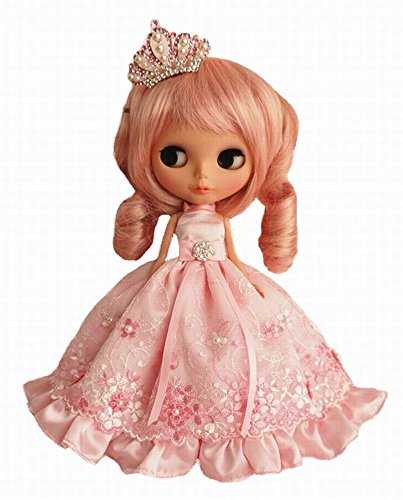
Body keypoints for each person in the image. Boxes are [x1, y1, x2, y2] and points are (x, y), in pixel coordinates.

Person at [23, 19, 387, 482]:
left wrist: (244, 280)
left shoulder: (221, 220)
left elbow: (231, 253)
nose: (201, 176)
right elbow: (161, 253)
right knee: (152, 344)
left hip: (224, 278)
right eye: (173, 156)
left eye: (228, 158)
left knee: (240, 344)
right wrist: (156, 274)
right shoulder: (176, 218)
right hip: (171, 280)